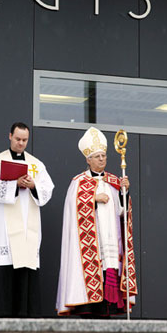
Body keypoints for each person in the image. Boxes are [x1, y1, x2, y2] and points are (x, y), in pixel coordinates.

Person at [56, 127, 137, 317]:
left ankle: (107, 310)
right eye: (97, 156)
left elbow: (122, 212)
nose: (102, 159)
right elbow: (72, 212)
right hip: (90, 248)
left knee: (108, 301)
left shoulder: (114, 181)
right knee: (90, 307)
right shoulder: (77, 182)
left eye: (104, 155)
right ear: (88, 159)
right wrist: (92, 199)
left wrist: (125, 193)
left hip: (111, 243)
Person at [0, 122, 54, 317]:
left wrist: (33, 185)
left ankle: (26, 317)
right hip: (4, 230)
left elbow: (47, 190)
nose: (21, 143)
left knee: (26, 272)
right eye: (18, 139)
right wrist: (14, 183)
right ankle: (1, 316)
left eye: (25, 140)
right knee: (4, 274)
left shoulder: (36, 164)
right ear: (10, 136)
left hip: (26, 230)